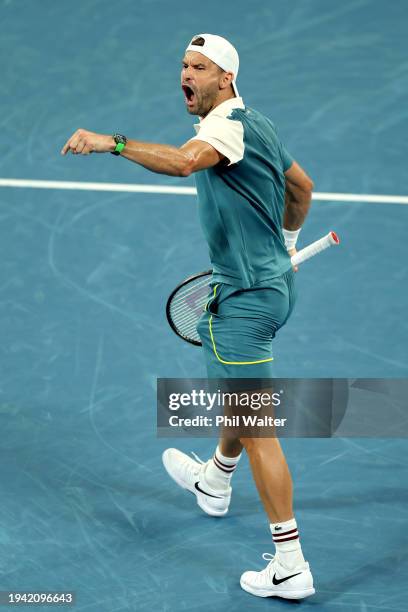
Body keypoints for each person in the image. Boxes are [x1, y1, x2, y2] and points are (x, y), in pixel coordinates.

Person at [61, 33, 315, 600]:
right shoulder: (257, 122)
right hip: (270, 287)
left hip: (246, 301)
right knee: (234, 387)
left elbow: (181, 163)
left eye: (198, 67)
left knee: (258, 428)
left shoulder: (221, 131)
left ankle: (291, 562)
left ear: (224, 78)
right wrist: (289, 241)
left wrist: (113, 142)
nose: (186, 74)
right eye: (182, 65)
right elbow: (301, 186)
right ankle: (215, 482)